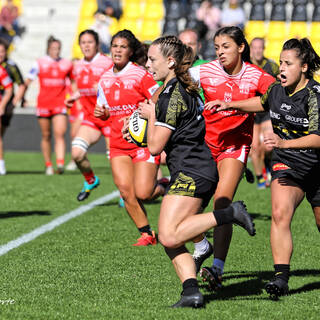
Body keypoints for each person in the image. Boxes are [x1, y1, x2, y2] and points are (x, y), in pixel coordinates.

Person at [136, 35, 255, 308]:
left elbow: (155, 147)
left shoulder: (171, 95)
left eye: (152, 60)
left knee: (169, 234)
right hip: (194, 168)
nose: (147, 64)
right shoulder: (177, 89)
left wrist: (151, 115)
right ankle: (191, 291)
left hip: (193, 170)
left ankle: (230, 213)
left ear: (170, 61)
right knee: (169, 236)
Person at [212, 37, 320, 300]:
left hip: (317, 168)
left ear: (304, 67)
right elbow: (261, 103)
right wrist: (232, 105)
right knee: (280, 214)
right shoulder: (276, 89)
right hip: (288, 165)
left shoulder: (316, 95)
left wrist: (284, 142)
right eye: (280, 62)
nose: (281, 68)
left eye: (288, 64)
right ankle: (281, 278)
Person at [188, 26, 275, 287]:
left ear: (240, 47)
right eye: (216, 48)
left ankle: (217, 268)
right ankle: (202, 245)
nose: (220, 52)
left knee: (221, 203)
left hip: (234, 147)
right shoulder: (203, 70)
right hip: (204, 145)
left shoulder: (256, 75)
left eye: (225, 46)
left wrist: (233, 105)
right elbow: (171, 84)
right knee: (186, 207)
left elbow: (271, 99)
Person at [94, 29, 166, 246]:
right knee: (126, 192)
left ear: (131, 51)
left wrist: (137, 114)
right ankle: (147, 234)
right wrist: (103, 113)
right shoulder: (104, 77)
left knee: (143, 192)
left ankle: (164, 184)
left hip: (141, 142)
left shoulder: (140, 74)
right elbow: (105, 108)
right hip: (117, 143)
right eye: (115, 46)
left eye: (123, 46)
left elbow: (161, 95)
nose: (117, 50)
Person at [65, 29, 113, 199]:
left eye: (90, 42)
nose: (86, 45)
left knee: (115, 162)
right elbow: (85, 89)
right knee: (77, 153)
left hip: (110, 118)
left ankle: (125, 194)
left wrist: (102, 90)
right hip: (91, 118)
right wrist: (74, 97)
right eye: (83, 42)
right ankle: (90, 179)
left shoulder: (107, 63)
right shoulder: (77, 66)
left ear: (97, 44)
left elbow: (118, 87)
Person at [24, 36, 73, 175]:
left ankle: (60, 164)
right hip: (44, 103)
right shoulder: (39, 63)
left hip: (60, 103)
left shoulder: (66, 63)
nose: (56, 51)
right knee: (46, 135)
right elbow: (28, 80)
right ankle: (48, 165)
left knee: (60, 133)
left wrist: (75, 97)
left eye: (58, 49)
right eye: (53, 49)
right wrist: (23, 97)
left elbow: (73, 82)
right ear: (48, 49)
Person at [250, 37, 279, 188]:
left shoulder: (272, 66)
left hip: (267, 111)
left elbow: (280, 83)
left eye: (260, 48)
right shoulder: (246, 65)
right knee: (254, 147)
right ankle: (261, 178)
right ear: (251, 48)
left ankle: (268, 164)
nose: (258, 50)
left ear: (263, 48)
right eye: (255, 48)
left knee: (268, 145)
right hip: (252, 113)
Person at [0, 38, 24, 175]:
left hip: (6, 104)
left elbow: (20, 85)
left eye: (2, 51)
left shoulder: (10, 67)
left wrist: (15, 102)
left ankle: (1, 163)